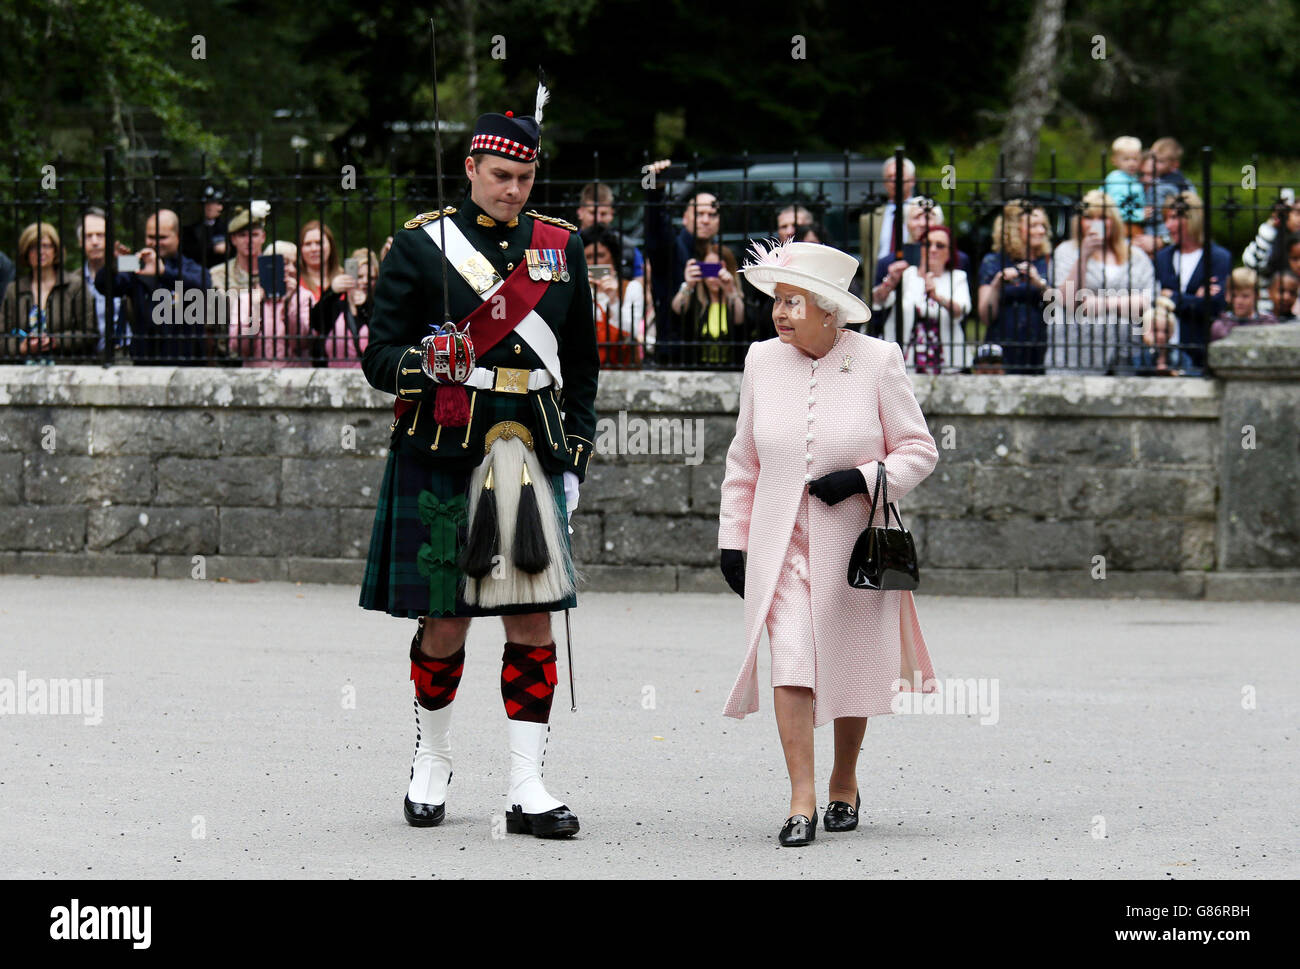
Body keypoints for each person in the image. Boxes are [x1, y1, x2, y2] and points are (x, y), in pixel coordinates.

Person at [359, 90, 599, 840]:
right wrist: (425, 359)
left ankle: (527, 781)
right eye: (499, 175)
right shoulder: (420, 245)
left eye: (524, 179)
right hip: (445, 443)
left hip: (530, 444)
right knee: (445, 618)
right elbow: (376, 354)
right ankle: (431, 756)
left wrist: (577, 454)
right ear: (470, 167)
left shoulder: (559, 246)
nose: (513, 190)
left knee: (532, 618)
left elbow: (585, 364)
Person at [718, 239, 939, 846]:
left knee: (847, 661)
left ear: (828, 311)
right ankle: (801, 800)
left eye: (794, 302)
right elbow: (745, 459)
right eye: (778, 301)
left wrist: (863, 479)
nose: (781, 312)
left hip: (852, 545)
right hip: (778, 543)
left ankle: (845, 780)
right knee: (790, 659)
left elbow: (920, 450)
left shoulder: (876, 360)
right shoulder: (762, 361)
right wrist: (732, 540)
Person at [1049, 189, 1153, 373]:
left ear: (1114, 220)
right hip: (1075, 356)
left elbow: (1145, 303)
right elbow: (1069, 301)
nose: (1095, 224)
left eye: (1103, 217)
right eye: (1089, 217)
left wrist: (1097, 303)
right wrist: (1084, 256)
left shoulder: (1136, 256)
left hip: (1125, 356)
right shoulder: (1065, 252)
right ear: (1079, 221)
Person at [643, 164, 734, 365]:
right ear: (685, 218)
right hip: (676, 354)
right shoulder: (673, 247)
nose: (705, 220)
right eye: (699, 214)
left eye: (712, 215)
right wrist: (653, 188)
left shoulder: (721, 254)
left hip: (716, 355)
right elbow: (655, 230)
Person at [94, 208, 211, 364]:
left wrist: (164, 272)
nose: (155, 243)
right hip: (146, 360)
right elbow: (104, 286)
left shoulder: (189, 266)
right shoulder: (137, 263)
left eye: (162, 237)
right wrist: (113, 264)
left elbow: (203, 287)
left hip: (185, 361)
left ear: (177, 237)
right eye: (150, 237)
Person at [874, 224, 971, 373]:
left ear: (949, 253)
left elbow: (960, 311)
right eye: (927, 244)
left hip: (945, 362)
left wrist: (937, 297)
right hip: (904, 359)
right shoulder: (907, 274)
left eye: (940, 246)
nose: (932, 249)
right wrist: (890, 283)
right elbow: (877, 301)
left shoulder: (957, 277)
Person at [1154, 189, 1230, 369]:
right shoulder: (1162, 257)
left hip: (1199, 352)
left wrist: (1172, 297)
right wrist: (1195, 299)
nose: (1168, 225)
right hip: (1163, 352)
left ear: (1193, 219)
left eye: (1174, 218)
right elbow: (1153, 300)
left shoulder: (1218, 257)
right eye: (1166, 219)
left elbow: (1215, 305)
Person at [1, 222, 97, 361]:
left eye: (46, 246)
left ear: (55, 250)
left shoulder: (75, 286)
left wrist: (55, 341)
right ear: (26, 252)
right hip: (22, 371)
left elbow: (90, 333)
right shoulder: (14, 290)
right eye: (33, 247)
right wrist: (21, 346)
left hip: (65, 368)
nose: (40, 251)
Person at [977, 199, 1052, 373]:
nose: (1040, 231)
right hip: (1002, 341)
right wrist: (997, 284)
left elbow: (1059, 307)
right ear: (1013, 229)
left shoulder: (1048, 261)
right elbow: (985, 316)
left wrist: (1038, 283)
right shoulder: (993, 261)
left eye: (1043, 226)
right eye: (1033, 226)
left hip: (1039, 342)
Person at [581, 225, 646, 367]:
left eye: (601, 255)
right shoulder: (576, 288)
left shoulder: (631, 288)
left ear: (613, 256)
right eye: (589, 257)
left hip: (621, 365)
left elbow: (632, 331)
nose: (595, 262)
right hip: (585, 366)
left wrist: (613, 299)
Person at [670, 246, 744, 368]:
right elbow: (677, 309)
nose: (712, 278)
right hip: (697, 371)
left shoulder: (736, 300)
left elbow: (741, 320)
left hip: (732, 370)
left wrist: (731, 292)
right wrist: (688, 285)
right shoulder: (696, 301)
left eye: (717, 269)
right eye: (708, 269)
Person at [75, 207, 133, 361]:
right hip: (87, 357)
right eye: (88, 236)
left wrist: (124, 263)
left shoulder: (129, 265)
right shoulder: (73, 279)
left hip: (126, 354)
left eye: (100, 235)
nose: (95, 242)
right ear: (80, 242)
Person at [311, 246, 376, 367]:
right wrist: (332, 292)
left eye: (371, 278)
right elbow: (315, 322)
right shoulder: (336, 307)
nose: (365, 281)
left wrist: (366, 307)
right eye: (360, 276)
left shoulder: (377, 309)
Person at [859, 156, 917, 281]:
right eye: (889, 177)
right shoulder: (870, 219)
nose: (894, 180)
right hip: (881, 278)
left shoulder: (922, 214)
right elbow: (866, 255)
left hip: (912, 277)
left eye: (899, 175)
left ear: (912, 180)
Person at [1120, 296, 1201, 376]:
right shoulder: (1138, 354)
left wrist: (1176, 373)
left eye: (1165, 331)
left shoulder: (1179, 356)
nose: (1160, 336)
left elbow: (1193, 374)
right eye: (1155, 330)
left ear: (1172, 333)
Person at [1210, 267, 1278, 342]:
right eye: (1234, 296)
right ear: (1227, 296)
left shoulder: (1268, 322)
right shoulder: (1220, 326)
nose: (1239, 301)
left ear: (1257, 296)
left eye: (1245, 296)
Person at [1102, 135, 1145, 231]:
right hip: (1120, 225)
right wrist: (1140, 215)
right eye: (1126, 159)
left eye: (1135, 159)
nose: (1131, 163)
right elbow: (1116, 208)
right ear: (1114, 160)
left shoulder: (1134, 178)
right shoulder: (1116, 180)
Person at [182, 186, 229, 268]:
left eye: (213, 203)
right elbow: (187, 253)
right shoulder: (189, 231)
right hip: (196, 274)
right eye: (206, 203)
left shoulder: (228, 229)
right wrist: (212, 249)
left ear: (221, 206)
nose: (209, 207)